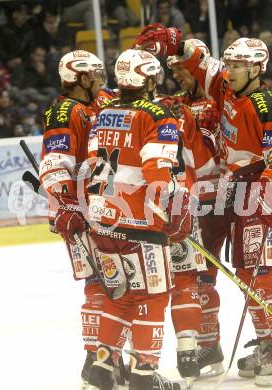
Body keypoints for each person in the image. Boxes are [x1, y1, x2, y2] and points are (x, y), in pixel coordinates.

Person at [134, 26, 272, 386]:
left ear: (256, 69)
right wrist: (175, 44)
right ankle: (267, 344)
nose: (228, 70)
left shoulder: (264, 104)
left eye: (237, 65)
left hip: (261, 192)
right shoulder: (226, 88)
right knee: (247, 270)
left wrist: (270, 186)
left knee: (266, 272)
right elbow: (202, 62)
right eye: (228, 63)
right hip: (238, 190)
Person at [83, 48, 192, 390]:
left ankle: (102, 367)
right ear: (146, 78)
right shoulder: (158, 116)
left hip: (103, 218)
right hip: (140, 223)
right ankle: (145, 374)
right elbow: (158, 172)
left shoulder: (103, 113)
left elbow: (90, 164)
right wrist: (171, 213)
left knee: (122, 296)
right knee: (154, 296)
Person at [37, 50, 119, 388]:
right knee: (98, 285)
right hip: (79, 213)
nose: (101, 80)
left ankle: (107, 358)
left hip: (103, 209)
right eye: (95, 74)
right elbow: (55, 164)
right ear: (81, 78)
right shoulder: (63, 111)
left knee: (115, 283)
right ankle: (94, 361)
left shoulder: (96, 101)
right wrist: (68, 206)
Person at [165, 39, 227, 378]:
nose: (176, 76)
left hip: (218, 196)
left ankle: (271, 340)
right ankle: (209, 344)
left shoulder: (214, 101)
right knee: (202, 276)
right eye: (172, 71)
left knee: (245, 272)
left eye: (181, 70)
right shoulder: (182, 103)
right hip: (199, 196)